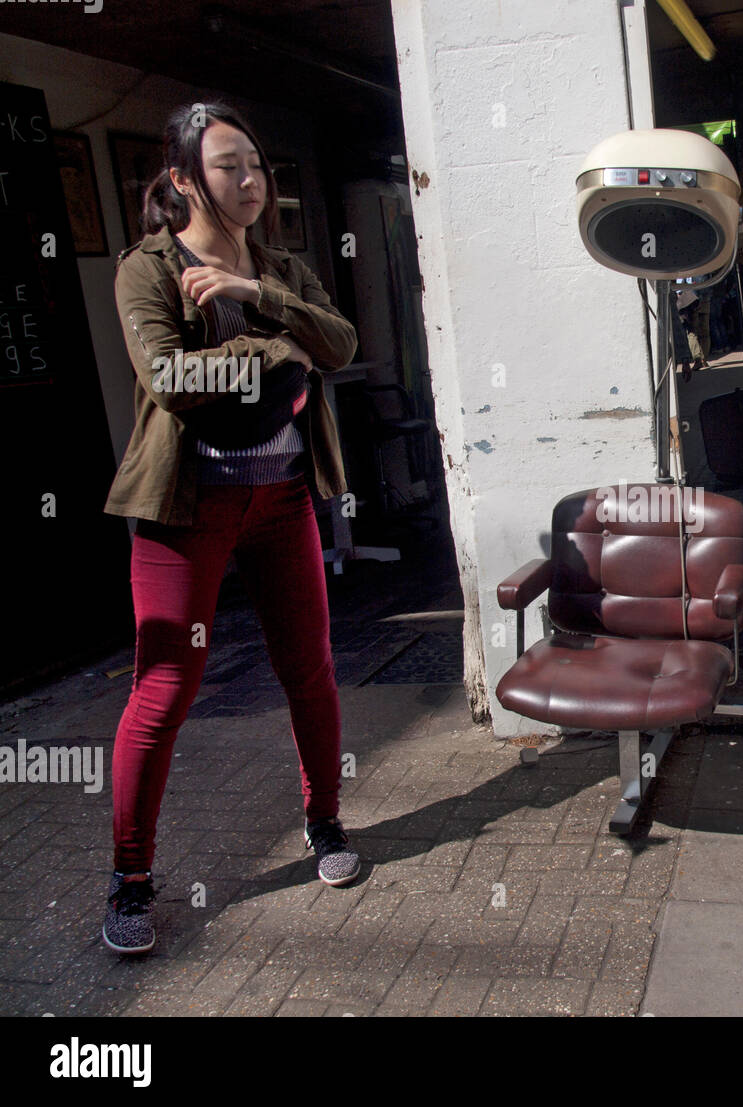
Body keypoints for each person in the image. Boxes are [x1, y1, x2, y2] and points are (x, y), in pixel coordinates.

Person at [102, 101, 361, 955]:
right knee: (165, 688)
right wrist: (273, 348)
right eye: (228, 168)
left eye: (257, 165)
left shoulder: (281, 264)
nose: (251, 182)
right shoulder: (148, 269)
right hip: (185, 508)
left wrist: (259, 296)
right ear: (181, 179)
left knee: (310, 669)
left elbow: (341, 342)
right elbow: (171, 376)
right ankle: (131, 879)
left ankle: (326, 822)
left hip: (282, 496)